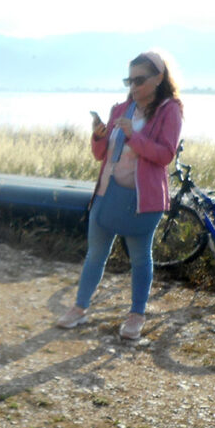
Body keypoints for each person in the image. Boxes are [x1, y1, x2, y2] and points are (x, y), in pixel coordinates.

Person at [56, 51, 183, 341]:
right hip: (106, 193)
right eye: (130, 80)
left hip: (142, 200)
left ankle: (136, 314)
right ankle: (79, 307)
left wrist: (134, 137)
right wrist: (99, 136)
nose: (134, 86)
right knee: (95, 255)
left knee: (139, 258)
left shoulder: (169, 110)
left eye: (140, 80)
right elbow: (101, 155)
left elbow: (165, 155)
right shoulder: (120, 109)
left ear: (159, 78)